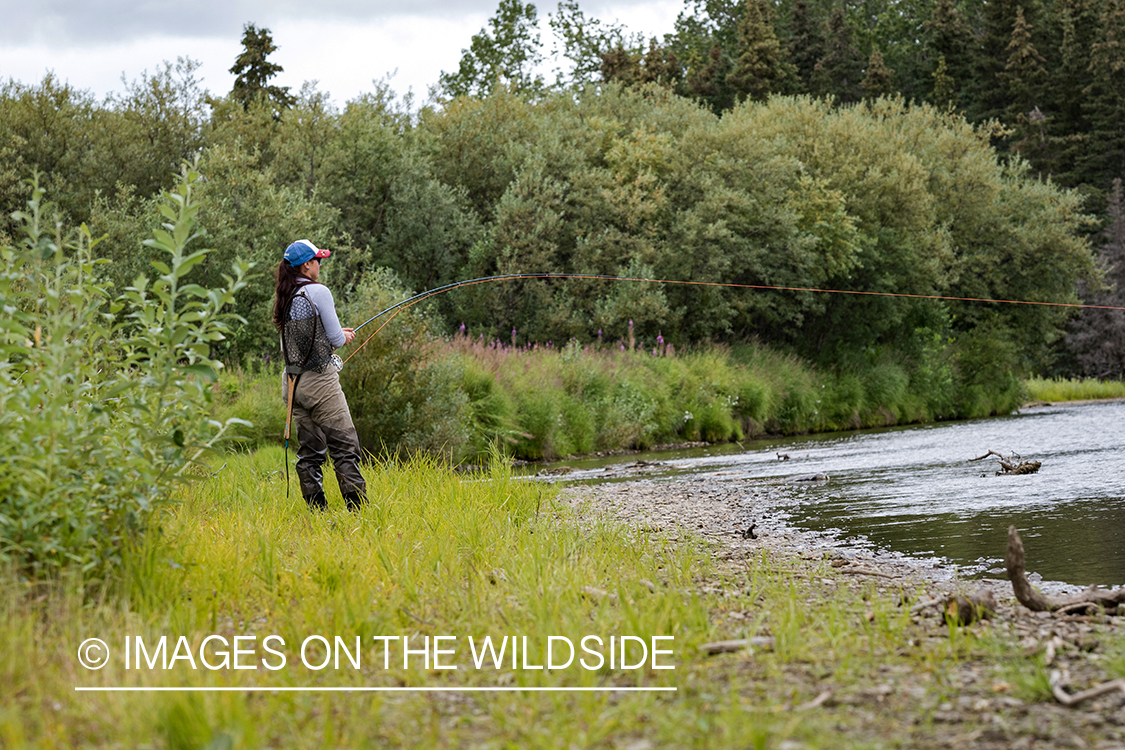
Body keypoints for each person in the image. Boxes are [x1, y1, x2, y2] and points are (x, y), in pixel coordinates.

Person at [272, 239, 367, 511]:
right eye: (318, 260)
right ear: (306, 265)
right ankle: (358, 511)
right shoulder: (319, 291)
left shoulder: (286, 294)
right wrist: (344, 336)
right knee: (345, 447)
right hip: (319, 383)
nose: (320, 265)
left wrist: (334, 336)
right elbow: (336, 338)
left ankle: (316, 511)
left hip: (292, 384)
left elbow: (302, 342)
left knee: (311, 452)